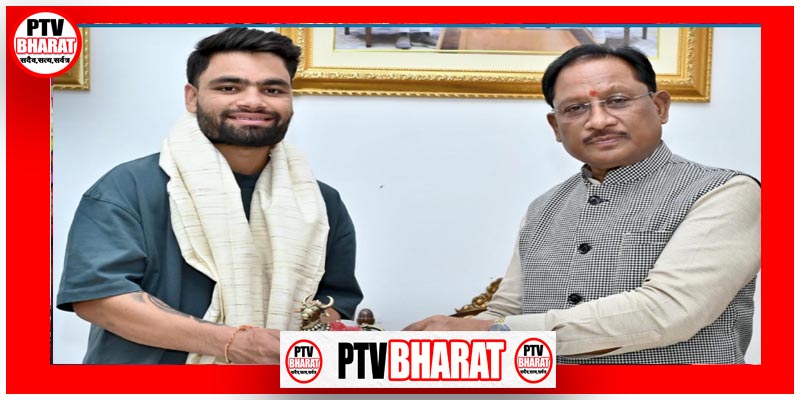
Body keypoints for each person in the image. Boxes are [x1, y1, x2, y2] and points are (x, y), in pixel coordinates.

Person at [404, 44, 760, 364]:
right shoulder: (543, 208)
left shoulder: (725, 192)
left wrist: (496, 333)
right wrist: (432, 343)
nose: (599, 121)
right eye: (575, 108)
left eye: (617, 100)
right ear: (556, 127)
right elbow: (508, 309)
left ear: (659, 107)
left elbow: (667, 311)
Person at [56, 28, 363, 364]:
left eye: (272, 89)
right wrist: (232, 342)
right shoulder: (127, 186)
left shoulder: (320, 202)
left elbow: (331, 303)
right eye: (229, 88)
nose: (253, 101)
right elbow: (99, 300)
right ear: (192, 97)